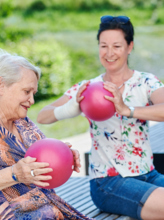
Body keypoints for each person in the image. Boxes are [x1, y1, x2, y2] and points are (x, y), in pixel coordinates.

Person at [37, 15, 164, 220]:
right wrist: (70, 108)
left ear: (129, 47)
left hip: (148, 175)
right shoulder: (88, 88)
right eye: (103, 46)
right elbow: (42, 116)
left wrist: (127, 109)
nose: (109, 53)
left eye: (116, 46)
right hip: (108, 183)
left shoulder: (146, 82)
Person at [0, 48, 93, 220]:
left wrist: (64, 155)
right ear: (1, 85)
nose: (32, 100)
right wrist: (14, 174)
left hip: (46, 208)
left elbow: (43, 155)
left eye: (33, 93)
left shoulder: (21, 121)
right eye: (27, 92)